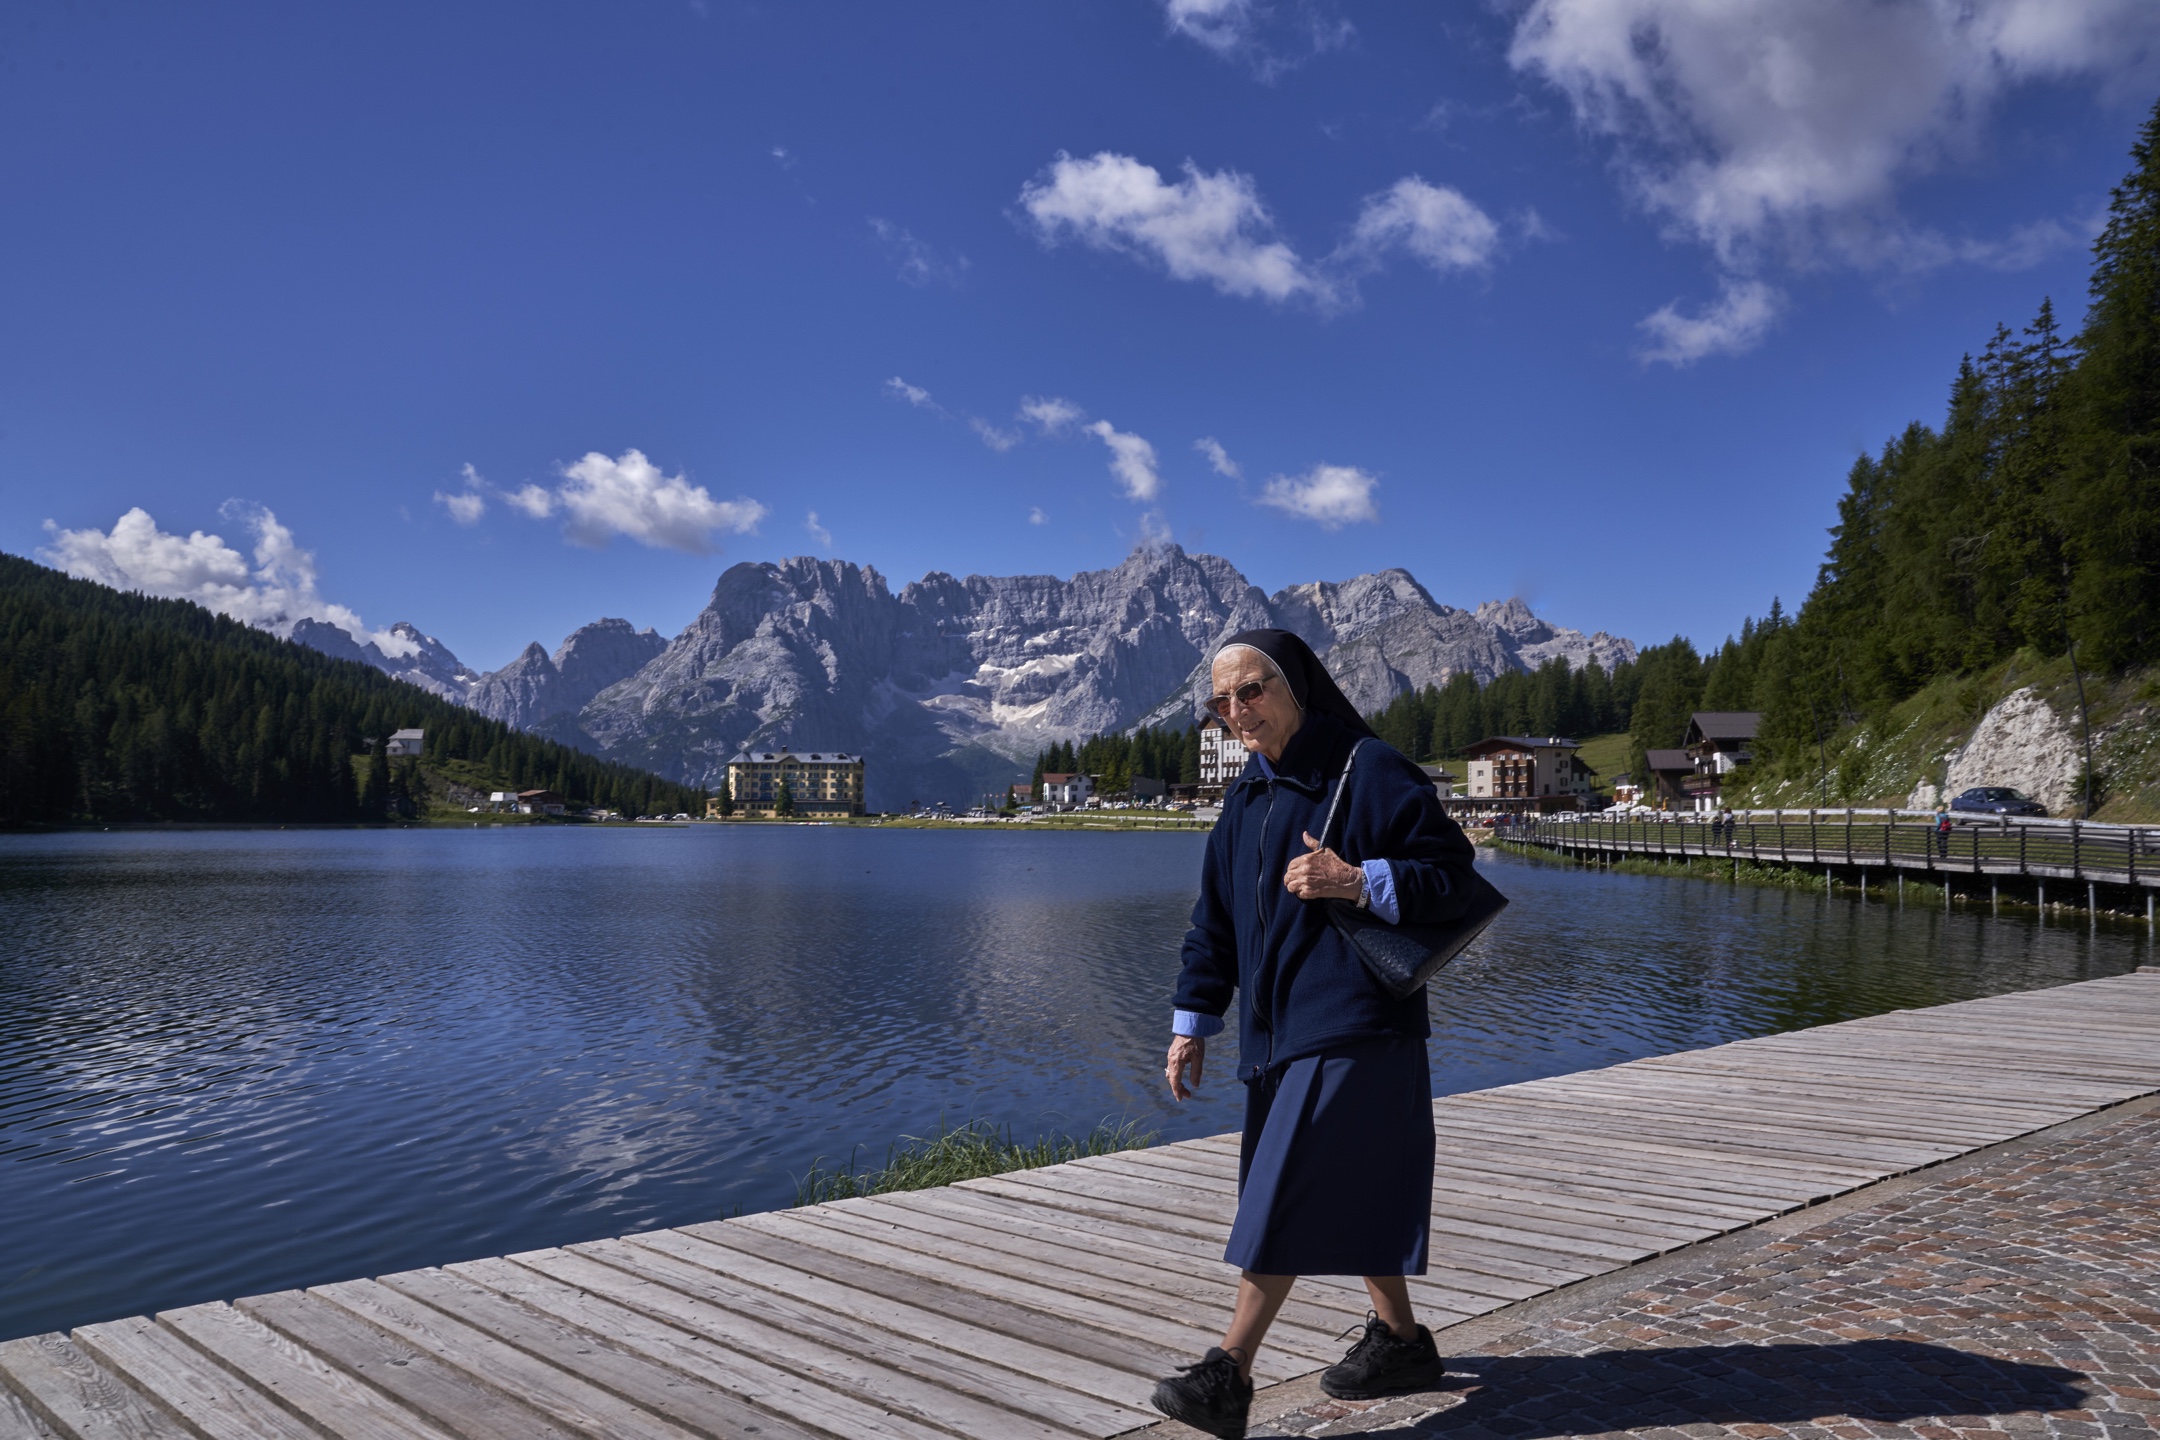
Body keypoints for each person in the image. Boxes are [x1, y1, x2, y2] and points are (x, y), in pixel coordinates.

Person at [1151, 630, 1479, 1439]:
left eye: (1251, 691)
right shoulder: (1244, 801)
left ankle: (1228, 1373)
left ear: (1295, 684)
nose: (1236, 712)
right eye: (1221, 702)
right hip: (1275, 1034)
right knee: (1352, 1186)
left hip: (1358, 1024)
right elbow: (1212, 928)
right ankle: (1402, 1342)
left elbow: (1455, 874)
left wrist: (1358, 880)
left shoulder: (1369, 770)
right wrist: (1192, 1024)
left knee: (1286, 1188)